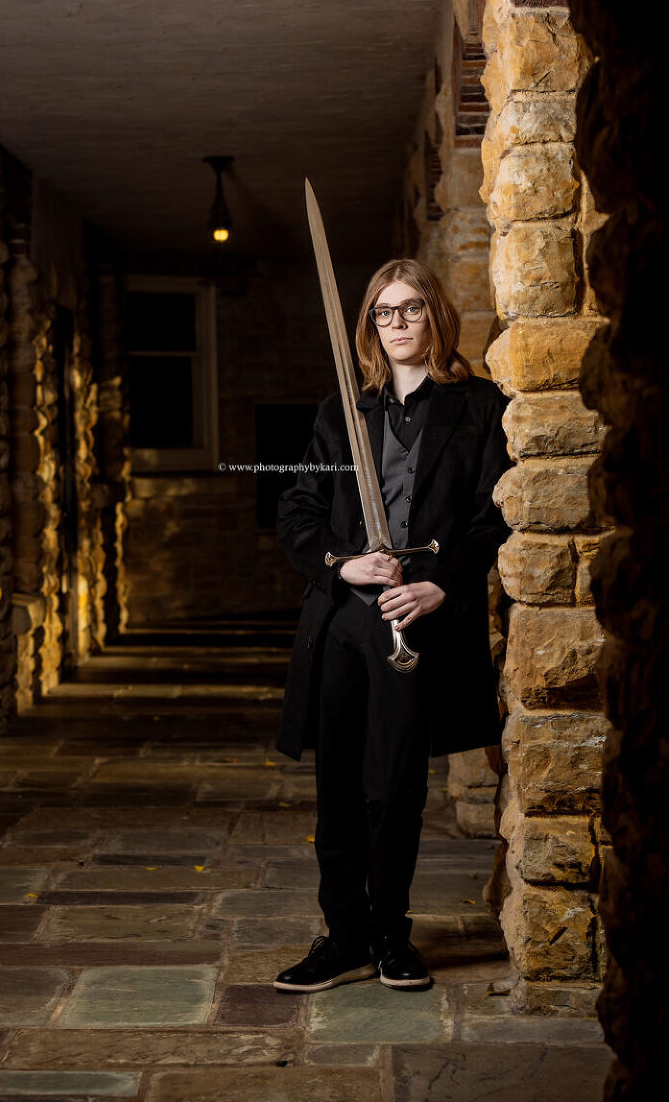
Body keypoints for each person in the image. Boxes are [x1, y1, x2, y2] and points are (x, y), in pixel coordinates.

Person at [273, 258, 511, 993]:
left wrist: (442, 584)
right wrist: (342, 565)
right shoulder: (343, 411)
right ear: (370, 326)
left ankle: (390, 935)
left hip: (418, 621)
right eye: (384, 312)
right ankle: (343, 934)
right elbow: (297, 512)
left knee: (395, 786)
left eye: (411, 309)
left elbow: (494, 515)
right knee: (339, 785)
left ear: (435, 316)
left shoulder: (480, 408)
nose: (399, 323)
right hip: (347, 620)